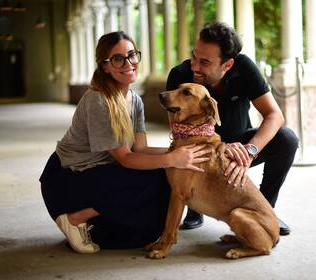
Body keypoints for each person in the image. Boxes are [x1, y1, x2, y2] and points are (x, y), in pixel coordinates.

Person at [39, 31, 210, 253]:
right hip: (68, 180)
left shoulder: (134, 99)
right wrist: (171, 158)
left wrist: (183, 152)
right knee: (156, 176)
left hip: (104, 174)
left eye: (132, 55)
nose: (128, 63)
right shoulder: (98, 100)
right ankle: (75, 218)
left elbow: (141, 148)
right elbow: (126, 159)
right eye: (118, 59)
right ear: (105, 66)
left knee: (150, 228)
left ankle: (98, 227)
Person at [166, 22, 299, 236]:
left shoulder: (244, 67)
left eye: (205, 62)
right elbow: (178, 129)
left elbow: (275, 115)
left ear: (227, 65)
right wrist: (220, 147)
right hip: (200, 145)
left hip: (240, 144)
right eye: (194, 57)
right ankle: (195, 205)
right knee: (184, 153)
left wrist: (250, 151)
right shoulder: (180, 76)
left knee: (287, 139)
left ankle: (264, 211)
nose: (195, 67)